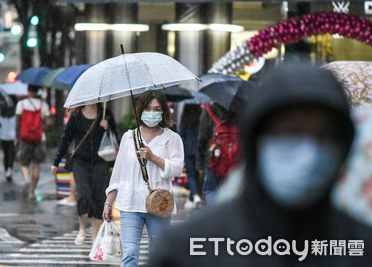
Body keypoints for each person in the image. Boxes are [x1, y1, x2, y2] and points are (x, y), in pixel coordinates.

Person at [148, 64, 372, 266]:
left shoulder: (361, 248)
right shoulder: (188, 250)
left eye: (324, 136)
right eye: (291, 132)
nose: (308, 152)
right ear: (257, 139)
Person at [103, 90, 184, 267]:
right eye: (148, 108)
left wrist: (153, 157)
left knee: (157, 255)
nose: (152, 113)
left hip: (159, 205)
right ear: (141, 110)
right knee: (130, 254)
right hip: (130, 204)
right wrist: (109, 202)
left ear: (163, 112)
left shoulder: (172, 138)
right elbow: (118, 173)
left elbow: (178, 168)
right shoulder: (128, 138)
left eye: (157, 109)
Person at [51, 103, 117, 245]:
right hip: (80, 162)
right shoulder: (76, 116)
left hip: (101, 162)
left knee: (99, 197)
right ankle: (82, 228)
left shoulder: (106, 114)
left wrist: (108, 128)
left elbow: (116, 138)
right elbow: (66, 139)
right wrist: (56, 162)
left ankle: (95, 233)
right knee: (83, 195)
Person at [195, 102, 237, 205]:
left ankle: (216, 215)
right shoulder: (240, 109)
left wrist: (200, 165)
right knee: (235, 191)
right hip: (236, 159)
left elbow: (202, 140)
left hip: (214, 160)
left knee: (210, 190)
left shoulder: (209, 110)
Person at [15, 85, 51, 200]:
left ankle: (26, 180)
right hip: (39, 138)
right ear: (37, 91)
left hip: (25, 137)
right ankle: (32, 192)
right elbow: (48, 122)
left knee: (24, 163)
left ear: (28, 91)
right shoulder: (43, 105)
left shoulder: (21, 104)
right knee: (36, 166)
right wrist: (43, 124)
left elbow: (18, 123)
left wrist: (17, 138)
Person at [179, 104, 202, 208]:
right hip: (199, 149)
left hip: (188, 150)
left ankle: (195, 197)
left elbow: (181, 134)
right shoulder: (200, 116)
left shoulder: (185, 119)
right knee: (196, 175)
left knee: (191, 175)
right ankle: (194, 198)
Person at [0, 95, 17, 182]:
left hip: (3, 135)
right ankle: (9, 169)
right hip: (12, 136)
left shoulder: (0, 110)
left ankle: (6, 171)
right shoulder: (15, 111)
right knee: (12, 153)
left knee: (6, 154)